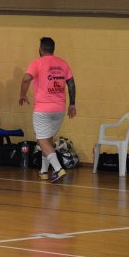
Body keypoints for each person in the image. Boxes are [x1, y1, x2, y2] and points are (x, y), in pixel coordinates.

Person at [19, 37, 76, 183]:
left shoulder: (37, 63)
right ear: (53, 49)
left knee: (42, 141)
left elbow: (26, 79)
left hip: (43, 109)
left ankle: (58, 169)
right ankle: (44, 171)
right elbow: (71, 84)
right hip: (59, 109)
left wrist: (23, 94)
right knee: (48, 140)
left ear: (41, 49)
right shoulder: (63, 63)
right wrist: (72, 104)